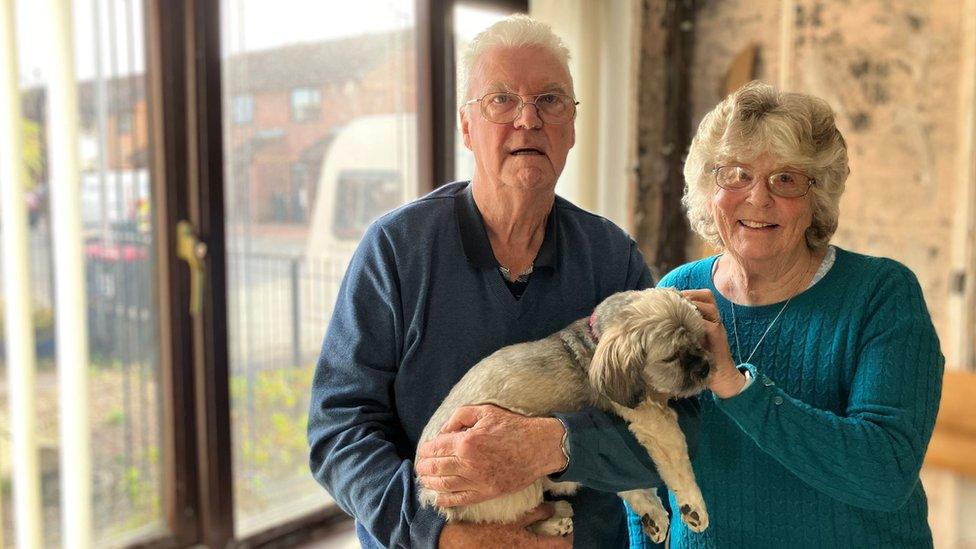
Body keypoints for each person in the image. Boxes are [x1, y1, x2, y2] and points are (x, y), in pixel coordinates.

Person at [307, 14, 699, 549]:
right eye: (501, 100)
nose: (528, 120)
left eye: (551, 100)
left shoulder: (612, 258)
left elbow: (677, 421)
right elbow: (339, 430)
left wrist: (557, 444)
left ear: (572, 127)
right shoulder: (396, 250)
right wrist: (440, 534)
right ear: (466, 126)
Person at [629, 81, 945, 547]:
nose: (758, 198)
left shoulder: (881, 295)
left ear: (818, 196)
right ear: (707, 187)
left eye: (787, 179)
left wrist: (736, 387)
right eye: (735, 174)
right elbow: (647, 463)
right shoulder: (678, 291)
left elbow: (885, 473)